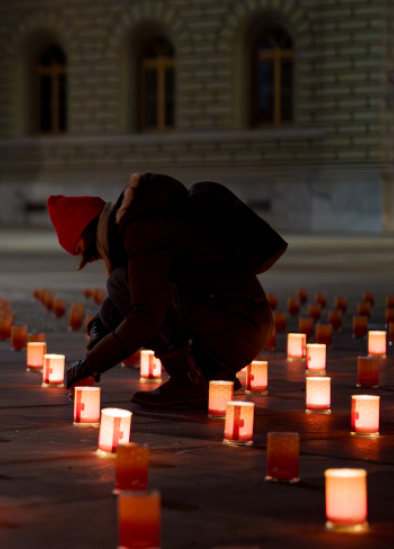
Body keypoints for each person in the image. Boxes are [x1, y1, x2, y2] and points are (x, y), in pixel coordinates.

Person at [49, 173, 281, 409]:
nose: (92, 259)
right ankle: (212, 375)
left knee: (121, 285)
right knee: (117, 301)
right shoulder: (138, 220)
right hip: (239, 322)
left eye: (83, 250)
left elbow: (146, 316)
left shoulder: (141, 227)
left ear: (90, 229)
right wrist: (103, 324)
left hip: (239, 324)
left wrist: (90, 365)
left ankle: (187, 381)